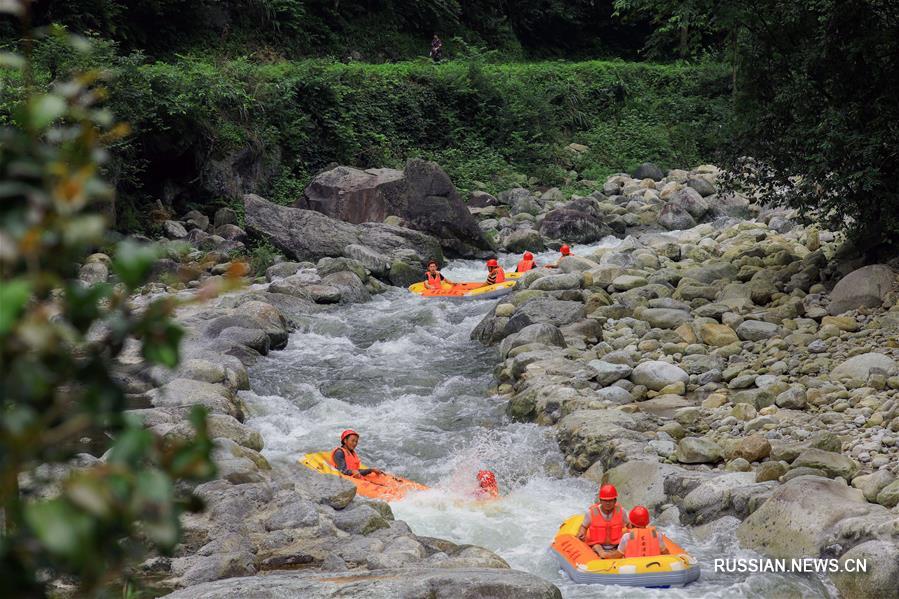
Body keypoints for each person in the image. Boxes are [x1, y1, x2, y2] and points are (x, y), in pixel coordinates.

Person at [577, 484, 630, 559]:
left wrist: (634, 536)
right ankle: (603, 554)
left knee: (623, 547)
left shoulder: (621, 511)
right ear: (600, 501)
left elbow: (629, 525)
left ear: (615, 500)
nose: (608, 503)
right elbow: (584, 527)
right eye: (605, 500)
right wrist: (582, 533)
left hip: (616, 544)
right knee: (597, 547)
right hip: (597, 545)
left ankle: (610, 555)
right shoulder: (591, 513)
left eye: (610, 500)